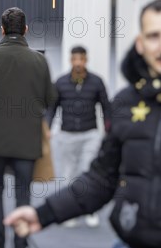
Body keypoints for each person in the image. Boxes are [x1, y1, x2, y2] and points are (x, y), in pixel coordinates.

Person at [4, 0, 161, 248]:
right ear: (141, 44)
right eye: (154, 36)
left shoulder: (97, 82)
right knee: (72, 171)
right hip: (129, 247)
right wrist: (44, 214)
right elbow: (102, 178)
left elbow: (103, 107)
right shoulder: (127, 101)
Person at [0, 7, 56, 248]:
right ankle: (20, 246)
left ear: (2, 29)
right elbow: (50, 98)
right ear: (26, 29)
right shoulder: (39, 60)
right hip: (27, 137)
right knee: (23, 195)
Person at [46, 45, 112, 228]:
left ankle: (91, 211)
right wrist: (47, 127)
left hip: (90, 134)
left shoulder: (97, 82)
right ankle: (70, 212)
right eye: (75, 60)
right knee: (69, 174)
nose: (78, 63)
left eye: (81, 60)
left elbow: (107, 107)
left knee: (88, 172)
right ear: (70, 60)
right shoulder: (60, 82)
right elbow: (52, 107)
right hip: (67, 134)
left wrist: (109, 129)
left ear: (86, 60)